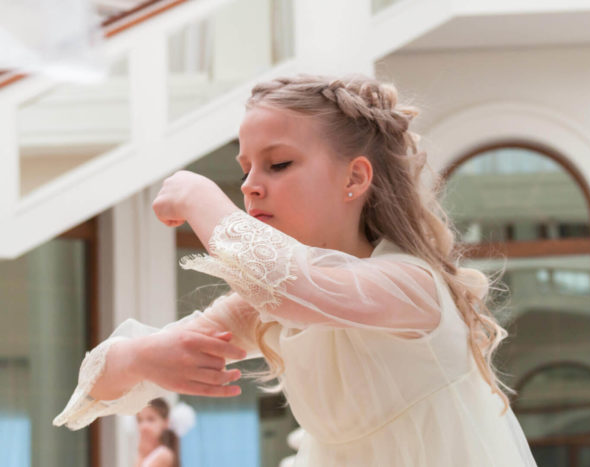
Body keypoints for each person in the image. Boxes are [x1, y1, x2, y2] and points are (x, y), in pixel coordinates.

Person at [54, 74, 537, 466]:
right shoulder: (263, 304)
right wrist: (139, 357)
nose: (249, 186)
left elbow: (294, 287)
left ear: (354, 178)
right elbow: (97, 388)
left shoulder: (411, 286)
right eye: (244, 169)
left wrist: (198, 196)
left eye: (278, 164)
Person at [134, 398, 178, 467]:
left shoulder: (164, 454)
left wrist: (142, 454)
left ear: (166, 422)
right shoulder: (147, 452)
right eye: (139, 420)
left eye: (151, 419)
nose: (144, 426)